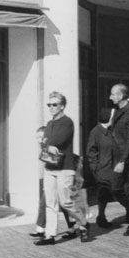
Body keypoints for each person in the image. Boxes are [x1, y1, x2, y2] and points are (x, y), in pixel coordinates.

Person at [35, 91, 90, 246]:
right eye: (49, 105)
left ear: (62, 106)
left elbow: (59, 139)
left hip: (65, 167)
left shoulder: (67, 122)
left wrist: (49, 142)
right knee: (50, 202)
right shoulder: (50, 123)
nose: (51, 108)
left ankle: (83, 222)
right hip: (50, 166)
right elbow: (44, 141)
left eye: (54, 105)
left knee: (65, 202)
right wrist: (48, 143)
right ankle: (50, 235)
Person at [108, 84, 129, 236]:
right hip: (119, 157)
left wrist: (123, 161)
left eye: (113, 94)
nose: (110, 97)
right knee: (116, 188)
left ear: (121, 96)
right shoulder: (119, 111)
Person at [30, 126, 76, 239]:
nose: (38, 140)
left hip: (59, 177)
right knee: (53, 204)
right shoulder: (45, 146)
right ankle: (71, 228)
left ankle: (75, 226)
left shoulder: (51, 146)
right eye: (37, 137)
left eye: (40, 137)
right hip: (51, 178)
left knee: (59, 204)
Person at [86, 108, 125, 228]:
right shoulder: (96, 132)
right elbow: (91, 152)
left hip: (113, 169)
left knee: (114, 192)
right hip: (103, 170)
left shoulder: (111, 130)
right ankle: (102, 217)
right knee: (108, 193)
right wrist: (96, 169)